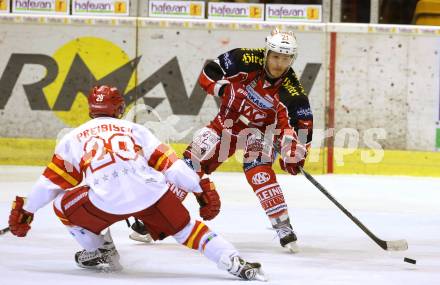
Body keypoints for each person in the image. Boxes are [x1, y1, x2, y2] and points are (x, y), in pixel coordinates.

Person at [8, 85, 266, 281]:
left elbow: (50, 185)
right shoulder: (136, 130)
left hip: (105, 202)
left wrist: (27, 210)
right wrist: (200, 190)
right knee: (187, 229)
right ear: (119, 109)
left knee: (62, 206)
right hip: (151, 194)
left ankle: (101, 251)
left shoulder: (72, 138)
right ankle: (235, 262)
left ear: (90, 110)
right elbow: (173, 167)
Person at [180, 28, 314, 253]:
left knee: (258, 169)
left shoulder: (293, 90)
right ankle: (156, 217)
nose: (279, 63)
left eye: (286, 58)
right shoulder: (244, 58)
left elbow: (303, 127)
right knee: (188, 164)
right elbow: (210, 71)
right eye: (275, 56)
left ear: (293, 59)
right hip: (225, 124)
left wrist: (295, 154)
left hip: (259, 133)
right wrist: (220, 88)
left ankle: (282, 224)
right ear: (266, 52)